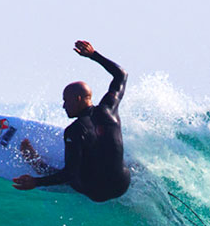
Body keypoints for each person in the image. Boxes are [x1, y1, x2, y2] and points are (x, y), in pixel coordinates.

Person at [12, 40, 131, 202]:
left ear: (78, 99)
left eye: (66, 101)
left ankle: (36, 163)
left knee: (69, 175)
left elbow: (69, 174)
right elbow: (121, 74)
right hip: (122, 185)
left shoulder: (75, 130)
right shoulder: (109, 109)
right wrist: (93, 55)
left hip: (96, 192)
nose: (63, 106)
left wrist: (35, 182)